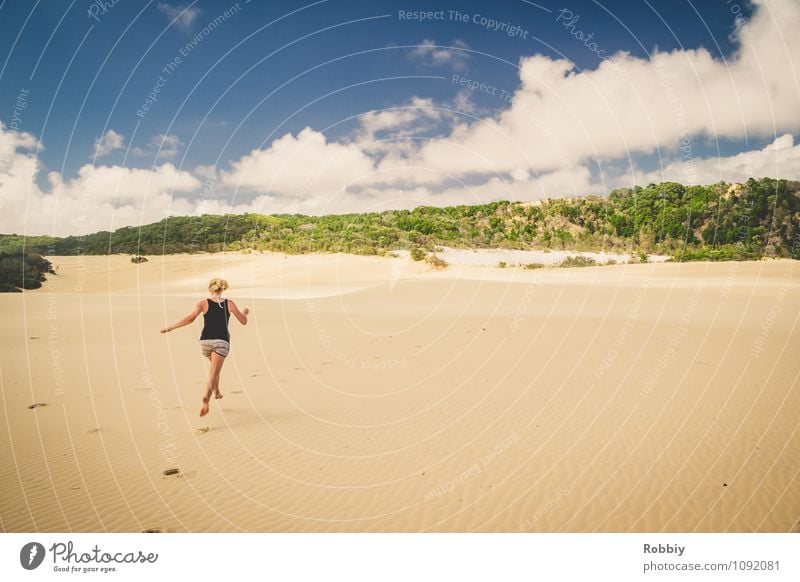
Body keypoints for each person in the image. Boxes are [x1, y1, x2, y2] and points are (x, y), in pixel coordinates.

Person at [160, 278, 249, 416]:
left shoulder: (202, 303)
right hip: (221, 342)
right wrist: (244, 313)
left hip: (205, 342)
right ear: (223, 289)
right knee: (214, 372)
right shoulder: (229, 303)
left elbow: (190, 319)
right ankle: (206, 399)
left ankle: (217, 392)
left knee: (214, 369)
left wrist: (171, 327)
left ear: (210, 289)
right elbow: (243, 322)